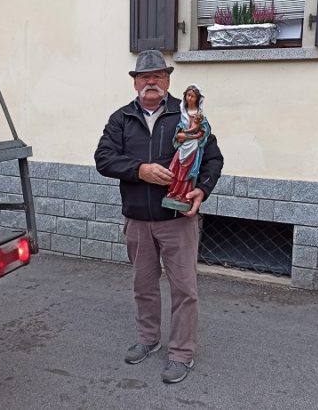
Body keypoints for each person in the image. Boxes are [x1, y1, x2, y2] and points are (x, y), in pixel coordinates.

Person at [94, 50, 224, 384]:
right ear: (135, 82)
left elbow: (212, 159)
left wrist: (203, 190)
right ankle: (148, 339)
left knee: (184, 289)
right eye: (144, 77)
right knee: (144, 286)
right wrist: (140, 170)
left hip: (177, 220)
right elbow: (104, 159)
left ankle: (182, 353)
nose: (151, 82)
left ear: (168, 80)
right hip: (138, 219)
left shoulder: (189, 116)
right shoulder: (121, 119)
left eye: (158, 76)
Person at [164, 85, 211, 209]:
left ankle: (184, 195)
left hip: (193, 147)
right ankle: (174, 192)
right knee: (176, 168)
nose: (190, 98)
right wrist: (181, 136)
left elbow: (203, 133)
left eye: (193, 96)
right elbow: (178, 133)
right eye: (188, 95)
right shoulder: (182, 113)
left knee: (187, 171)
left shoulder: (200, 116)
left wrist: (188, 136)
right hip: (182, 147)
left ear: (197, 99)